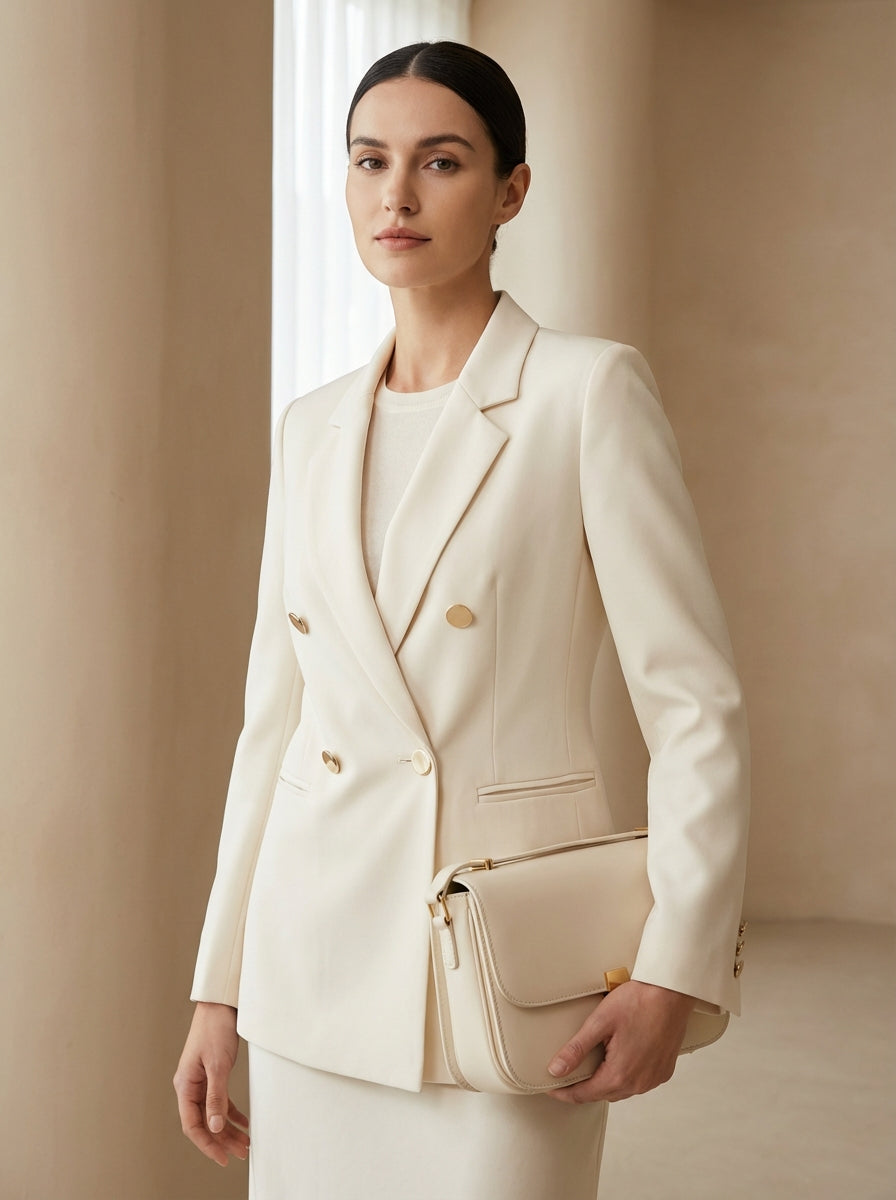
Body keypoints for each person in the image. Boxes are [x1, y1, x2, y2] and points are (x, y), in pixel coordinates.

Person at [173, 40, 750, 1199]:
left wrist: (672, 968)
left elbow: (694, 707)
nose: (395, 194)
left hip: (489, 965)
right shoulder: (313, 425)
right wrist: (219, 983)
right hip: (311, 966)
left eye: (439, 162)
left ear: (509, 191)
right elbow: (272, 726)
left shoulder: (585, 392)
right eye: (367, 160)